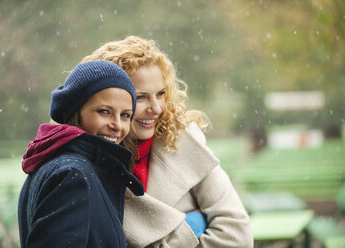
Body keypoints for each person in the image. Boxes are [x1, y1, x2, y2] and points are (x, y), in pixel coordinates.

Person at [81, 36, 253, 247]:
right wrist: (193, 227)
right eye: (141, 97)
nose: (156, 108)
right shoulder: (86, 163)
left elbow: (238, 234)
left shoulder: (185, 141)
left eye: (161, 94)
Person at [18, 60, 144, 248]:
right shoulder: (73, 175)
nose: (117, 125)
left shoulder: (56, 163)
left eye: (125, 115)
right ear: (76, 111)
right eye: (104, 112)